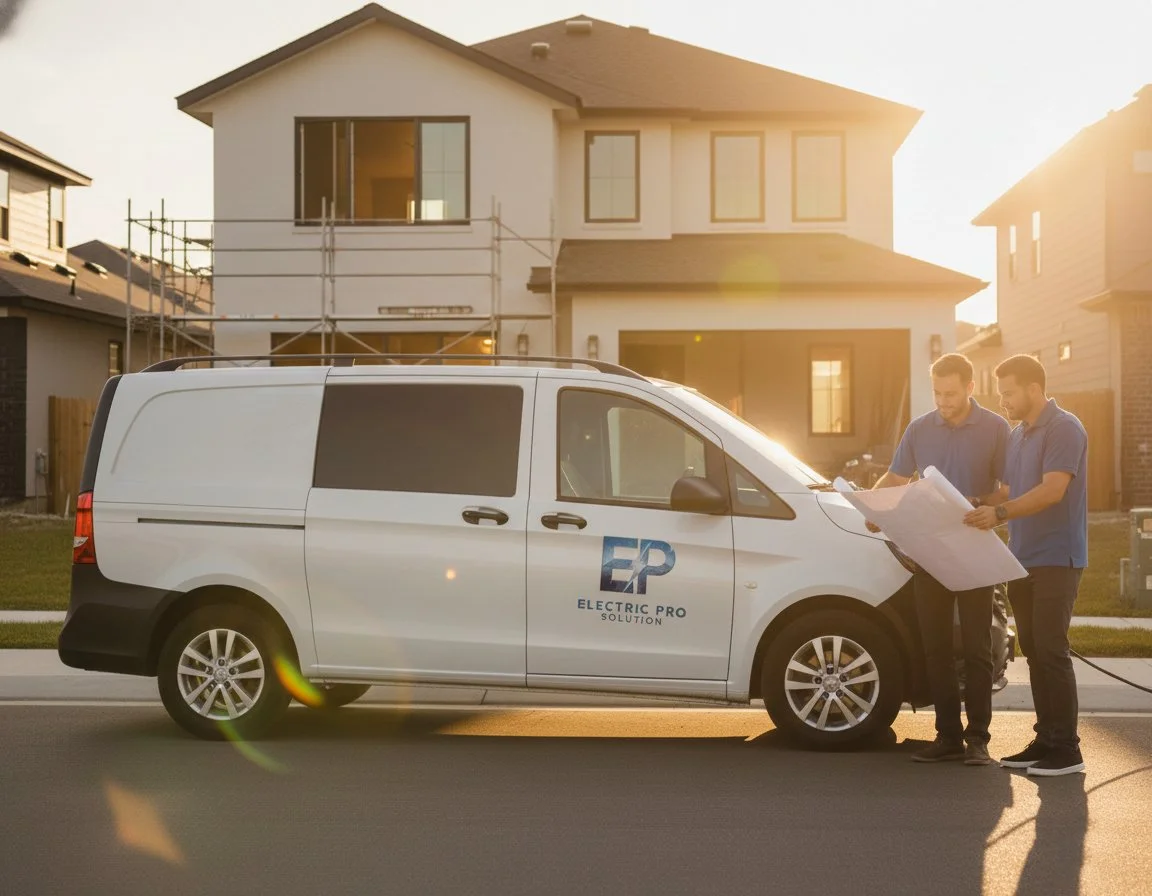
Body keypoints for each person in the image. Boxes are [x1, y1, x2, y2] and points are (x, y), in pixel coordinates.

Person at [866, 352, 1010, 766]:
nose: (943, 402)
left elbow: (1008, 491)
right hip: (929, 552)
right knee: (936, 648)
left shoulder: (996, 429)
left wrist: (979, 501)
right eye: (937, 393)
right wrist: (875, 508)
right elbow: (894, 480)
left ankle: (978, 740)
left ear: (970, 387)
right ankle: (947, 738)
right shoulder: (920, 429)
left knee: (978, 649)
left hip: (975, 551)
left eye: (950, 393)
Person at [963, 353, 1089, 777]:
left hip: (1058, 557)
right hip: (1024, 558)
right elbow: (1012, 490)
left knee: (1051, 649)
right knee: (1035, 652)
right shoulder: (1018, 436)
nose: (1003, 402)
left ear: (1034, 389)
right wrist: (979, 503)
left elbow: (1053, 490)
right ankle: (1046, 738)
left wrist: (1000, 515)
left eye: (1009, 393)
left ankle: (1067, 751)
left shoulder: (1064, 428)